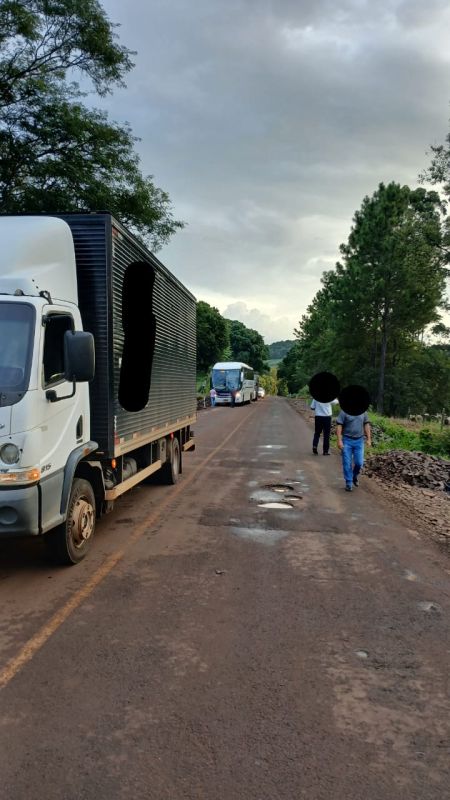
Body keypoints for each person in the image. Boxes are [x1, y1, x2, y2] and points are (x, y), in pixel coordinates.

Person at [336, 410, 372, 491]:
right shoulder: (344, 411)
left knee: (359, 463)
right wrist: (339, 440)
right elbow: (339, 425)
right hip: (347, 440)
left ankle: (354, 476)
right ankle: (349, 482)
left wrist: (369, 439)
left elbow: (366, 424)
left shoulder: (363, 411)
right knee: (347, 463)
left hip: (359, 441)